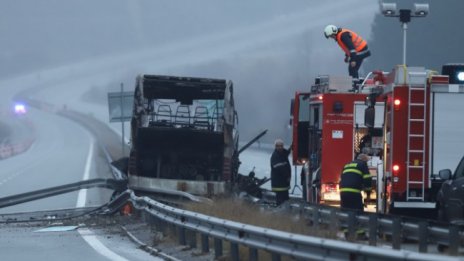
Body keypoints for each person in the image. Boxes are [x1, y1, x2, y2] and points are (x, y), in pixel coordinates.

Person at [270, 139, 292, 206]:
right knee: (280, 200)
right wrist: (287, 176)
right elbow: (280, 168)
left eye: (281, 146)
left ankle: (285, 212)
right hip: (279, 183)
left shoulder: (283, 154)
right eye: (278, 146)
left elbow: (286, 153)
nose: (280, 147)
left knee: (285, 199)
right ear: (275, 147)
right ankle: (280, 212)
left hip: (284, 183)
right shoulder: (275, 156)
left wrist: (291, 147)